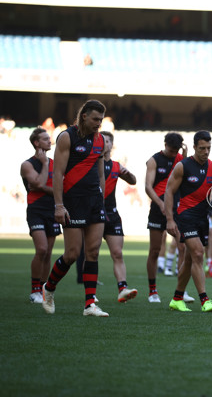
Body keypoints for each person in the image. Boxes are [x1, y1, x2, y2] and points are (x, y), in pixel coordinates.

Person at [42, 99, 109, 317]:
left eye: (101, 119)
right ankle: (48, 288)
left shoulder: (100, 140)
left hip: (94, 201)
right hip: (72, 201)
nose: (99, 123)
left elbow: (100, 173)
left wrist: (102, 198)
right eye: (95, 119)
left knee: (93, 251)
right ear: (84, 116)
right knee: (72, 254)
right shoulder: (66, 137)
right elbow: (58, 174)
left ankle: (90, 304)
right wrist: (59, 206)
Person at [164, 130, 212, 313]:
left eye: (208, 148)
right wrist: (170, 219)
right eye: (202, 148)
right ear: (194, 147)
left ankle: (177, 298)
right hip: (185, 216)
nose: (206, 151)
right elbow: (169, 191)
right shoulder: (183, 166)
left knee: (189, 261)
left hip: (202, 218)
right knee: (197, 253)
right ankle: (205, 299)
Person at [144, 132, 186, 303]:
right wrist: (160, 204)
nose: (173, 153)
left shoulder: (181, 159)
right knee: (155, 250)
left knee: (183, 247)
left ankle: (181, 290)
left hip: (176, 208)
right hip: (158, 208)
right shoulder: (154, 160)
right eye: (170, 150)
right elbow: (148, 186)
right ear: (165, 145)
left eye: (176, 150)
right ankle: (153, 291)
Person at [21, 127, 61, 303]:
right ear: (36, 143)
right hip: (35, 210)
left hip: (52, 210)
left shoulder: (56, 164)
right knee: (42, 249)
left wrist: (43, 188)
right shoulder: (27, 164)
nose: (49, 140)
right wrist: (44, 164)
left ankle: (44, 290)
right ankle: (34, 290)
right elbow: (37, 182)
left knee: (48, 253)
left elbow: (57, 189)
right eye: (45, 139)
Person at [99, 131, 138, 303]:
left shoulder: (116, 166)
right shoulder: (91, 163)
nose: (104, 143)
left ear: (111, 145)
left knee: (117, 253)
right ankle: (90, 294)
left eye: (107, 141)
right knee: (90, 254)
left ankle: (122, 288)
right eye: (102, 140)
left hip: (111, 213)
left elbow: (133, 180)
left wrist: (127, 173)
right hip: (93, 213)